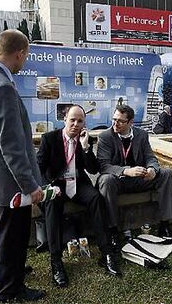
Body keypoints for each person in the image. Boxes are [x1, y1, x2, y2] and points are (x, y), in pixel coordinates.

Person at [0, 30, 45, 302]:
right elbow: (12, 147)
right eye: (25, 56)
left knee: (7, 232)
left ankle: (12, 271)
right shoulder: (2, 86)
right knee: (12, 235)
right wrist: (31, 185)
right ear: (20, 53)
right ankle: (10, 290)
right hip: (12, 184)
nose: (24, 62)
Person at [37, 105, 121, 287]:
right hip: (57, 184)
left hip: (78, 183)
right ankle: (56, 261)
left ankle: (106, 253)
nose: (75, 124)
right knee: (52, 202)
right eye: (72, 120)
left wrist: (85, 148)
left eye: (80, 121)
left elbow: (93, 169)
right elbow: (39, 168)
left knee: (97, 199)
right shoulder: (49, 139)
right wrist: (48, 187)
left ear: (84, 123)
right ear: (64, 119)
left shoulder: (85, 140)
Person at [97, 104, 172, 248]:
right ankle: (113, 230)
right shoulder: (105, 137)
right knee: (106, 180)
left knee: (166, 173)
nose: (115, 123)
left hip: (140, 180)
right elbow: (103, 166)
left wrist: (152, 169)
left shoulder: (142, 135)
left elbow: (150, 157)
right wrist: (126, 171)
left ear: (131, 122)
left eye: (120, 121)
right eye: (114, 119)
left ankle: (164, 225)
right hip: (117, 181)